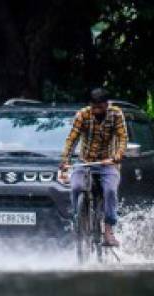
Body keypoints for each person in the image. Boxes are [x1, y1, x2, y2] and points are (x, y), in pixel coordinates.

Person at [60, 88, 128, 247]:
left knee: (110, 190)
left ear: (106, 104)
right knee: (76, 187)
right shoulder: (82, 115)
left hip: (107, 163)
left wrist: (118, 155)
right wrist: (65, 160)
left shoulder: (116, 114)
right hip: (85, 162)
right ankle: (77, 222)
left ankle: (109, 229)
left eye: (100, 107)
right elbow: (71, 139)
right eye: (93, 107)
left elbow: (123, 138)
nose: (96, 110)